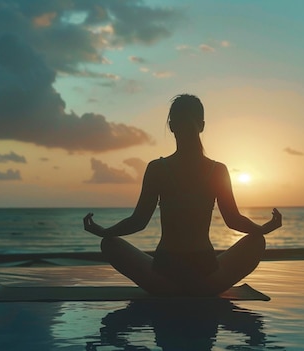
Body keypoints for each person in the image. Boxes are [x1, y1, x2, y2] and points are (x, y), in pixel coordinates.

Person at [83, 94, 282, 296]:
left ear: (171, 126)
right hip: (206, 274)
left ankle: (170, 289)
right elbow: (233, 220)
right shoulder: (217, 170)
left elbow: (138, 221)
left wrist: (104, 232)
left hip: (164, 274)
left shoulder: (157, 169)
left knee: (109, 244)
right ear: (202, 125)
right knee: (258, 241)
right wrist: (263, 228)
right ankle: (200, 289)